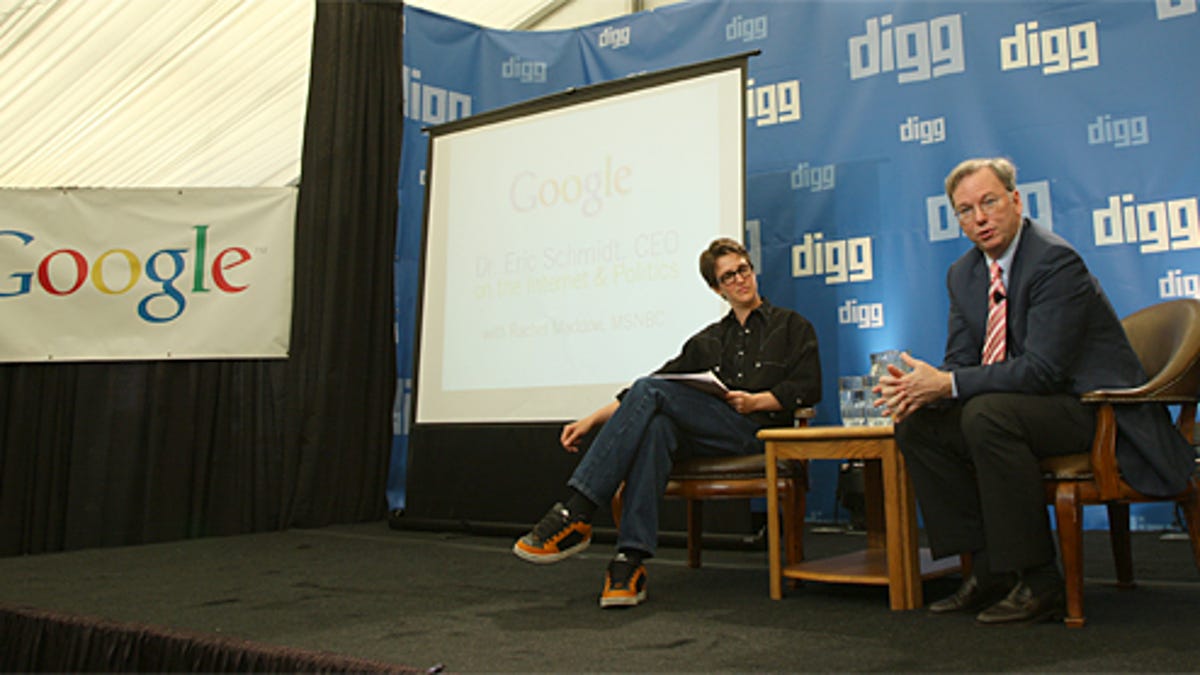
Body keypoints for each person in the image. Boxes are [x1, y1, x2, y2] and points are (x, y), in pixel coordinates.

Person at [876, 157, 1195, 624]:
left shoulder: (1053, 261)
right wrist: (923, 388)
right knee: (918, 425)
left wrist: (950, 384)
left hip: (1092, 409)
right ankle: (987, 568)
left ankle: (1040, 580)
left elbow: (1044, 371)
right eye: (965, 210)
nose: (980, 218)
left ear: (1016, 200)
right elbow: (962, 360)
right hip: (1023, 406)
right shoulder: (963, 274)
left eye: (989, 202)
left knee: (987, 415)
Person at [512, 237, 821, 608]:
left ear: (753, 271)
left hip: (759, 432)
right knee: (657, 426)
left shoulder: (791, 326)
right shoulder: (708, 341)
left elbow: (808, 387)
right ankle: (630, 560)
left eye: (743, 270)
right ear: (717, 289)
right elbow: (649, 388)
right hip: (712, 434)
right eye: (728, 276)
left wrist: (758, 400)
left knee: (651, 392)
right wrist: (591, 419)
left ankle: (578, 510)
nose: (740, 279)